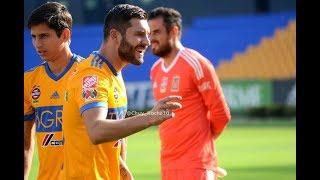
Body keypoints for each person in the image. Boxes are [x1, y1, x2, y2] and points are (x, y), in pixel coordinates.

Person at [62, 4, 182, 180]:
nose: (147, 42)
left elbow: (110, 133)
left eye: (148, 35)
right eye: (140, 34)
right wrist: (149, 117)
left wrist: (121, 168)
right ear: (114, 35)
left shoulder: (113, 73)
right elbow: (96, 131)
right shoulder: (92, 76)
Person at [148, 7, 231, 180]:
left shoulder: (196, 63)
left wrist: (202, 143)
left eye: (156, 32)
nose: (151, 39)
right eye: (149, 33)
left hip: (196, 163)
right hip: (168, 163)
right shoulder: (155, 70)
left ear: (174, 31)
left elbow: (221, 114)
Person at [24, 2, 83, 180]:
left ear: (65, 35)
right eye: (33, 37)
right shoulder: (29, 81)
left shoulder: (89, 75)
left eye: (44, 36)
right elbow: (25, 144)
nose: (37, 44)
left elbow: (112, 139)